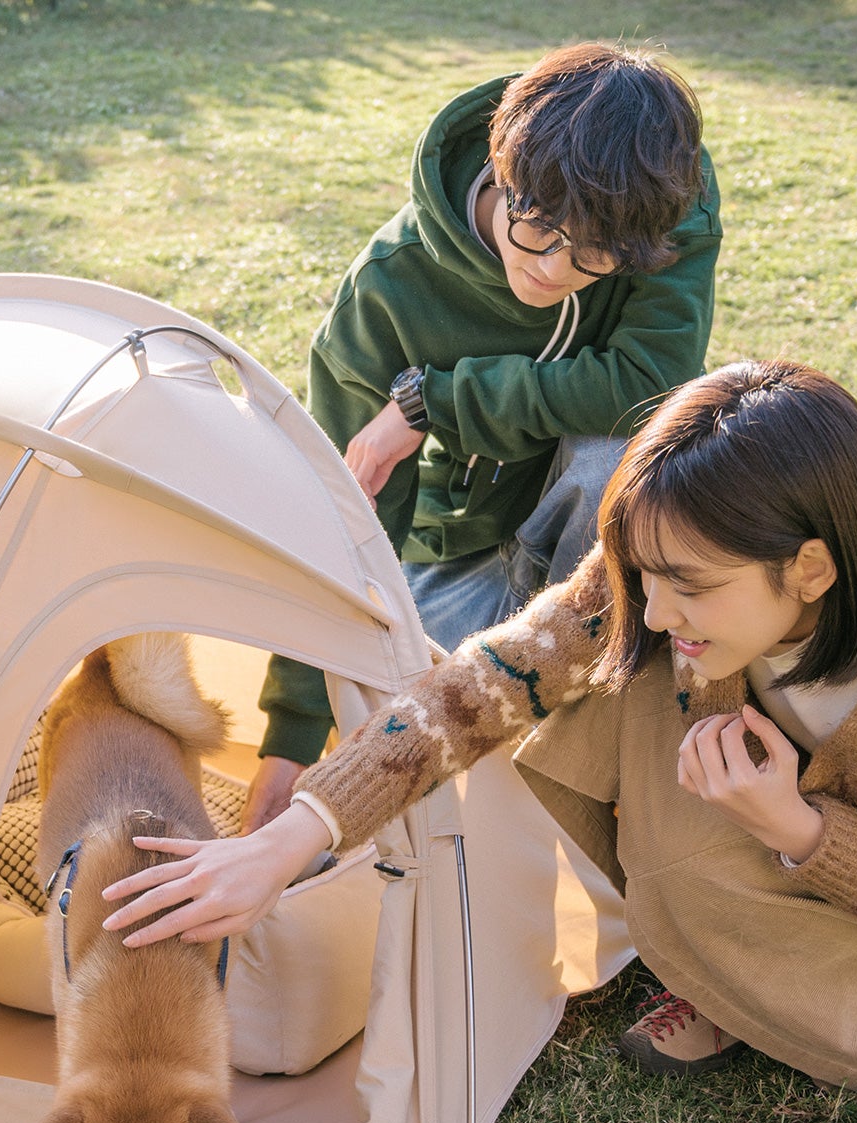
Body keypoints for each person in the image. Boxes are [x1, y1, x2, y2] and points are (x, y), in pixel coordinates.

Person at [101, 360, 857, 1091]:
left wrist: (800, 831)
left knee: (779, 940)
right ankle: (712, 946)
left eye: (688, 589)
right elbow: (486, 686)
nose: (653, 611)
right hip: (761, 790)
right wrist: (288, 842)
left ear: (811, 570)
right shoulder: (681, 534)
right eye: (644, 579)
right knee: (597, 688)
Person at [246, 41, 723, 832]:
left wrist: (434, 402)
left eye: (594, 255)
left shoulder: (659, 205)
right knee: (387, 747)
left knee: (627, 457)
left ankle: (590, 719)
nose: (554, 270)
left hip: (588, 568)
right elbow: (341, 518)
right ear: (504, 173)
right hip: (444, 567)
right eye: (539, 229)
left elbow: (652, 380)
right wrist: (291, 736)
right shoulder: (387, 289)